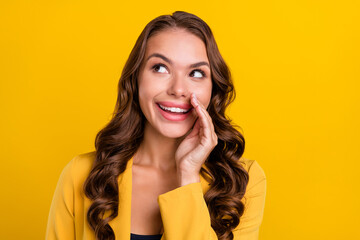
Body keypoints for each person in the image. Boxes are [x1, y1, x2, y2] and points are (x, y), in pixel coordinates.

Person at [45, 10, 266, 240]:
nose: (178, 89)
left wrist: (188, 176)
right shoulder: (81, 175)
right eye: (160, 68)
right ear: (136, 78)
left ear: (213, 87)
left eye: (196, 73)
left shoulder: (243, 182)